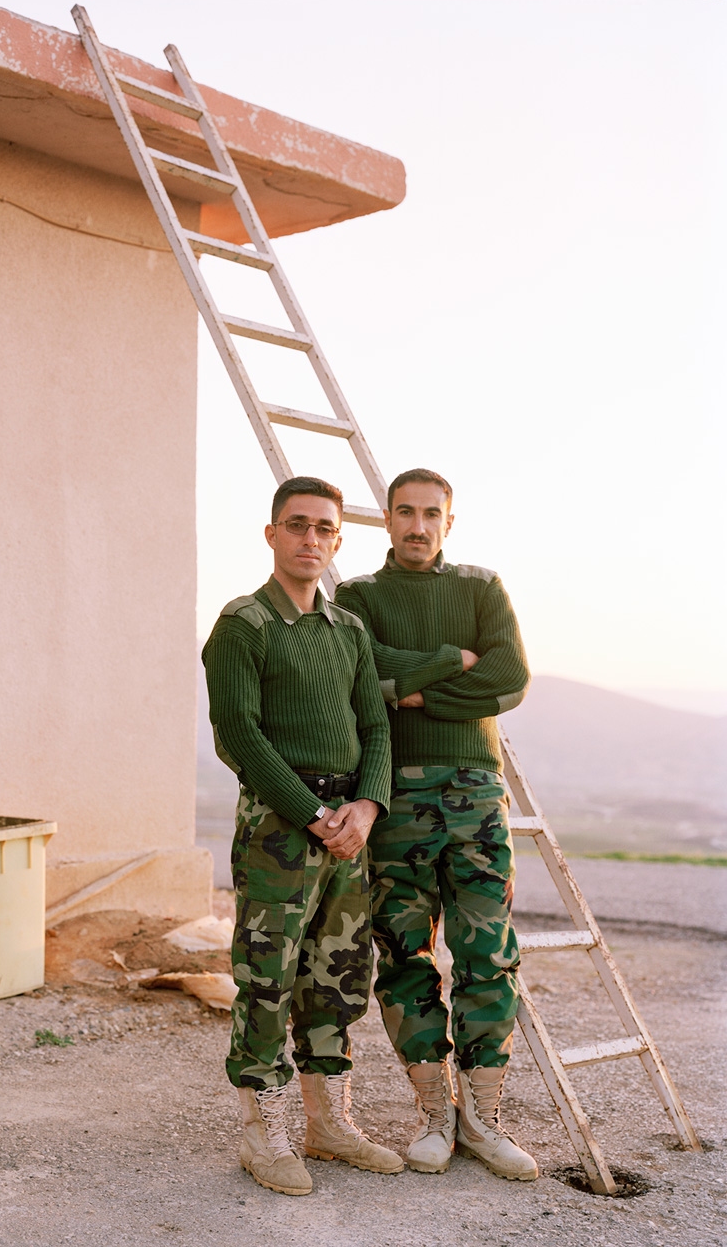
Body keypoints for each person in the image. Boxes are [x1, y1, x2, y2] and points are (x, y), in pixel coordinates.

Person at [334, 467, 537, 1182]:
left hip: (477, 792)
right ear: (385, 520)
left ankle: (485, 1119)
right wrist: (454, 662)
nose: (417, 525)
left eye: (431, 514)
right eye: (404, 513)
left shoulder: (480, 587)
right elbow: (366, 677)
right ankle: (434, 1116)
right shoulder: (357, 596)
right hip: (395, 797)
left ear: (449, 522)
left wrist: (414, 692)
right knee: (405, 956)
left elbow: (509, 680)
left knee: (489, 955)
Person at [202, 475, 401, 1197]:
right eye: (297, 525)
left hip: (350, 826)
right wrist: (311, 816)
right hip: (281, 829)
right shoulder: (244, 624)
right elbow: (240, 737)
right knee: (268, 976)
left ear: (338, 540)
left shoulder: (346, 630)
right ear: (272, 534)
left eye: (324, 528)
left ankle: (329, 1125)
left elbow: (375, 726)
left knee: (338, 976)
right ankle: (265, 1132)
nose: (310, 539)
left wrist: (367, 808)